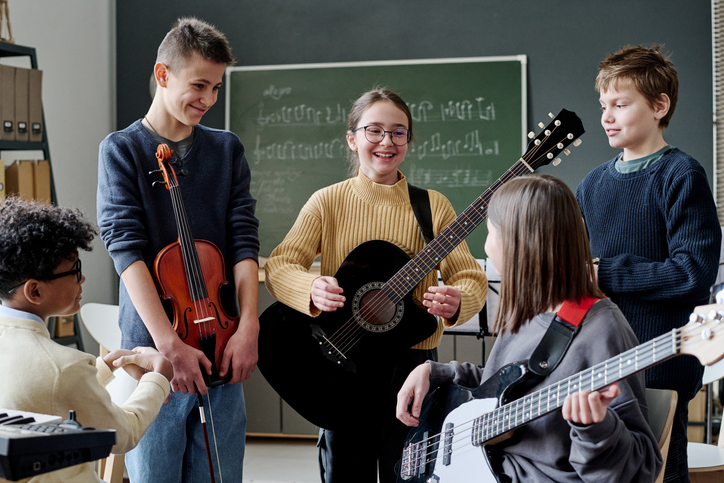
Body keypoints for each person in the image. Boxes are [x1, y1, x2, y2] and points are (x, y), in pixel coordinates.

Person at [264, 87, 487, 483]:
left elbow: (468, 276)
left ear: (408, 141)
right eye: (374, 131)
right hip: (341, 367)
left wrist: (459, 301)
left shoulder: (432, 206)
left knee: (412, 475)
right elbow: (282, 265)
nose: (387, 142)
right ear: (352, 139)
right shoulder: (326, 202)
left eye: (399, 133)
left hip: (413, 369)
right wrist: (310, 289)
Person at [397, 174, 662, 482]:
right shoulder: (527, 311)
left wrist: (596, 429)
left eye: (490, 233)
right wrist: (436, 372)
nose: (486, 245)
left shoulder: (603, 331)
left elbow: (640, 468)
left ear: (516, 244)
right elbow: (501, 389)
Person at [96, 17, 259, 483]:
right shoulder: (122, 150)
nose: (207, 100)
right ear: (163, 74)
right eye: (199, 85)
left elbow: (244, 241)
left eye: (216, 88)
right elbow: (126, 251)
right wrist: (170, 346)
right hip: (154, 354)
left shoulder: (227, 151)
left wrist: (248, 326)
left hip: (224, 342)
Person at [576, 44, 721, 482]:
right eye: (603, 105)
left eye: (620, 104)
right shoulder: (591, 184)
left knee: (660, 472)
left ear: (660, 106)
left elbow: (693, 273)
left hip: (660, 362)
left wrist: (607, 273)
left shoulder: (681, 174)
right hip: (599, 357)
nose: (607, 116)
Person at [0, 197, 174, 483]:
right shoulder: (65, 366)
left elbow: (45, 395)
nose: (82, 280)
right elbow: (124, 433)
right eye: (75, 271)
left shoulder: (57, 365)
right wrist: (158, 379)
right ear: (35, 292)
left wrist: (101, 369)